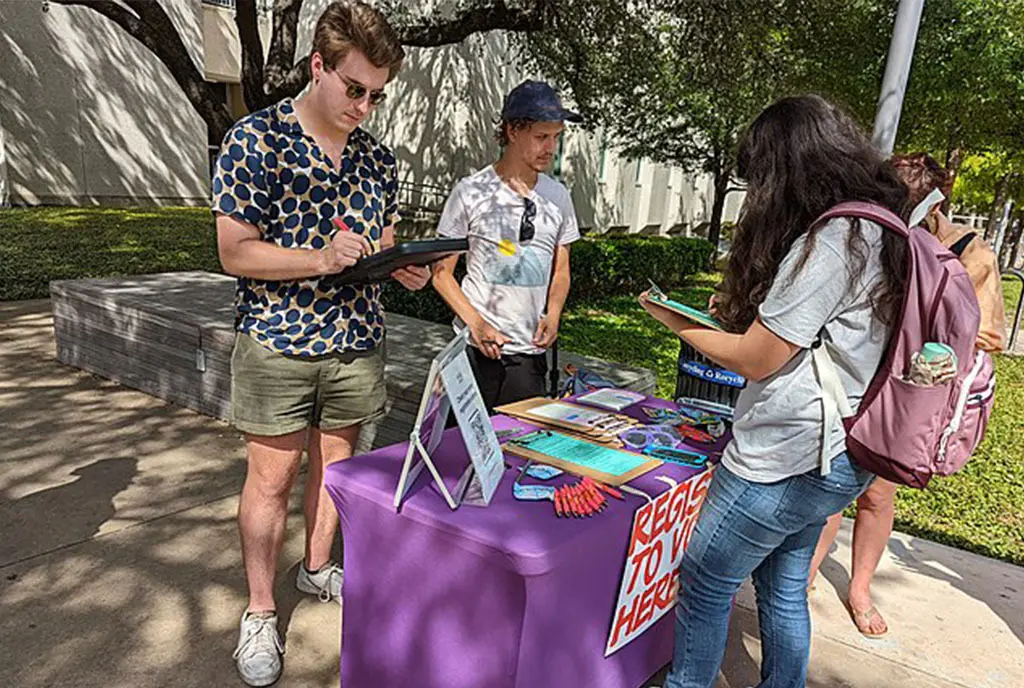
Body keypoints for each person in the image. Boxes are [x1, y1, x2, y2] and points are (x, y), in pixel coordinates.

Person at [640, 95, 909, 688]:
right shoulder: (881, 226)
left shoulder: (839, 237)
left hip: (788, 457)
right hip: (840, 450)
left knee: (707, 581)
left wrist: (674, 319)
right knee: (784, 588)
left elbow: (760, 358)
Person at [211, 3, 430, 685]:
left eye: (377, 95)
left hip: (356, 342)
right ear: (319, 67)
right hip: (277, 341)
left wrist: (406, 266)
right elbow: (233, 252)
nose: (365, 106)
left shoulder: (377, 161)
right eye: (354, 88)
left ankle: (314, 570)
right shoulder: (257, 139)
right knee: (271, 481)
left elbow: (381, 243)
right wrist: (318, 258)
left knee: (337, 473)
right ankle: (257, 611)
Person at [807, 151, 1007, 639]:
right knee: (829, 486)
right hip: (853, 378)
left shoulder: (969, 252)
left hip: (908, 393)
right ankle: (805, 575)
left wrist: (932, 333)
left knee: (877, 494)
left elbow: (989, 334)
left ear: (934, 202)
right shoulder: (876, 232)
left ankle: (859, 588)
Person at [431, 80, 581, 412]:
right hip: (472, 353)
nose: (551, 147)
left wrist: (554, 314)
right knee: (457, 455)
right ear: (513, 131)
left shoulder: (558, 197)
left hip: (529, 359)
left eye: (556, 137)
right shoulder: (470, 192)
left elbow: (562, 270)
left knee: (519, 456)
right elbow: (441, 275)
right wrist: (476, 323)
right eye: (542, 136)